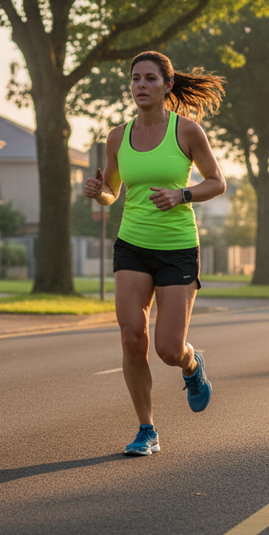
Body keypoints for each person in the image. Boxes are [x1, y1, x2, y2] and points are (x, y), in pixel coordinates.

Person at [82, 50, 227, 457]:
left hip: (178, 248)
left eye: (149, 79)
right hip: (132, 245)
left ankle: (192, 365)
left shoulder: (188, 132)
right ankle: (147, 429)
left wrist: (183, 194)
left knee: (167, 349)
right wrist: (100, 194)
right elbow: (111, 192)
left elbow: (217, 182)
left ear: (166, 85)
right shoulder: (117, 136)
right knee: (132, 339)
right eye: (135, 79)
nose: (140, 85)